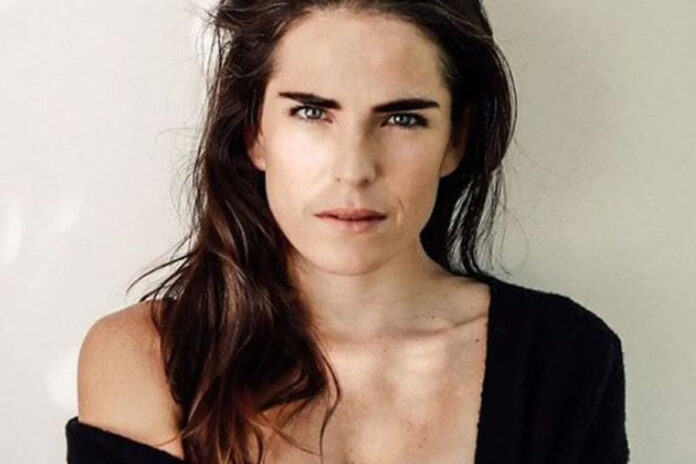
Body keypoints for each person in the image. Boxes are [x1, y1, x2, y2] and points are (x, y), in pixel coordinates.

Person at [64, 1, 630, 463]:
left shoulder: (563, 359)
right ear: (255, 132)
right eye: (312, 112)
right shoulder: (147, 356)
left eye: (403, 118)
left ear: (455, 140)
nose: (355, 169)